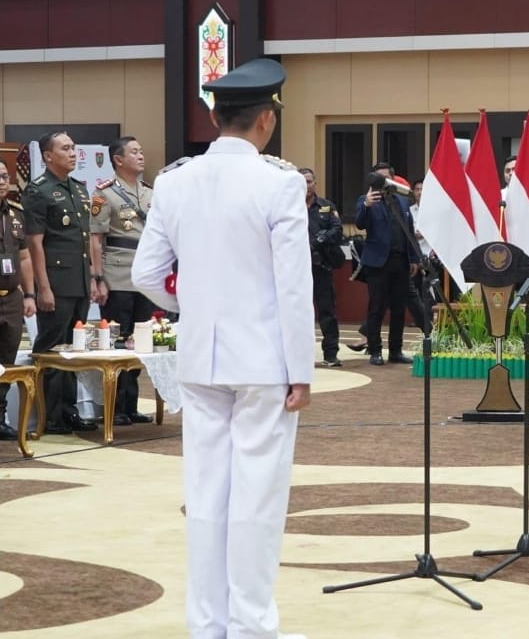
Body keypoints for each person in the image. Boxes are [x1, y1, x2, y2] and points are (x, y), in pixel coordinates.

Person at [131, 58, 313, 639]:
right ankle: (252, 626)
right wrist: (301, 368)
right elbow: (292, 285)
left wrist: (197, 305)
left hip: (200, 359)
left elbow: (147, 274)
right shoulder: (280, 182)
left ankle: (207, 625)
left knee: (206, 493)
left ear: (215, 116)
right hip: (263, 361)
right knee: (257, 495)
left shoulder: (174, 180)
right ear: (266, 119)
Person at [22, 131, 99, 434]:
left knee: (73, 351)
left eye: (73, 148)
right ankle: (50, 415)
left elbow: (83, 240)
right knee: (52, 349)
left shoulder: (78, 189)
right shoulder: (39, 190)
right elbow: (34, 244)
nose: (72, 153)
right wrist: (43, 287)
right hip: (55, 281)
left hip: (78, 280)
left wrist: (92, 277)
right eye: (65, 148)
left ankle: (68, 410)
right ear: (47, 156)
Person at [90, 136, 157, 426]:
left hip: (146, 274)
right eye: (134, 152)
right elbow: (95, 239)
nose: (141, 156)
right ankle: (114, 406)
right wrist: (97, 278)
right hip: (117, 273)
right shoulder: (104, 193)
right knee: (117, 341)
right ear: (118, 159)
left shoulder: (149, 193)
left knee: (141, 342)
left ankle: (130, 404)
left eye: (142, 151)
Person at [354, 163, 418, 366]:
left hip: (400, 260)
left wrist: (414, 258)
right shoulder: (365, 200)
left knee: (399, 308)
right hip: (377, 262)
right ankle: (375, 350)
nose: (380, 182)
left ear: (391, 180)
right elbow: (360, 224)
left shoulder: (401, 202)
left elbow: (409, 231)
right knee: (376, 307)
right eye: (376, 178)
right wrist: (366, 206)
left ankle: (396, 350)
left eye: (384, 179)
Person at [0, 161, 36, 441]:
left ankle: (0, 418)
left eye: (4, 176)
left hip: (11, 298)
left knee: (7, 360)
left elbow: (24, 258)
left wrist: (30, 294)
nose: (2, 181)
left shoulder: (15, 214)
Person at [302, 167, 345, 368]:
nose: (307, 185)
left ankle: (331, 354)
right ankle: (299, 356)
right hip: (297, 267)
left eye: (310, 181)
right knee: (299, 311)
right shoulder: (288, 206)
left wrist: (319, 240)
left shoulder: (326, 206)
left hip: (321, 265)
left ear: (315, 183)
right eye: (303, 181)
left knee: (327, 310)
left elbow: (337, 229)